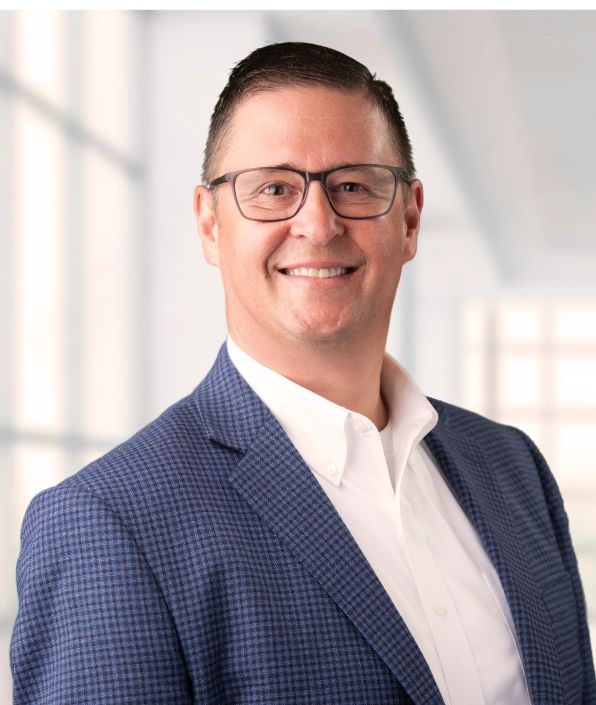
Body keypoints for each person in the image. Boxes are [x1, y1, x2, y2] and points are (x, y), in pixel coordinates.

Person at [10, 42, 595, 705]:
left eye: (353, 185)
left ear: (409, 217)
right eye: (274, 189)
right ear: (209, 223)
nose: (317, 224)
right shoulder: (111, 523)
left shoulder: (512, 468)